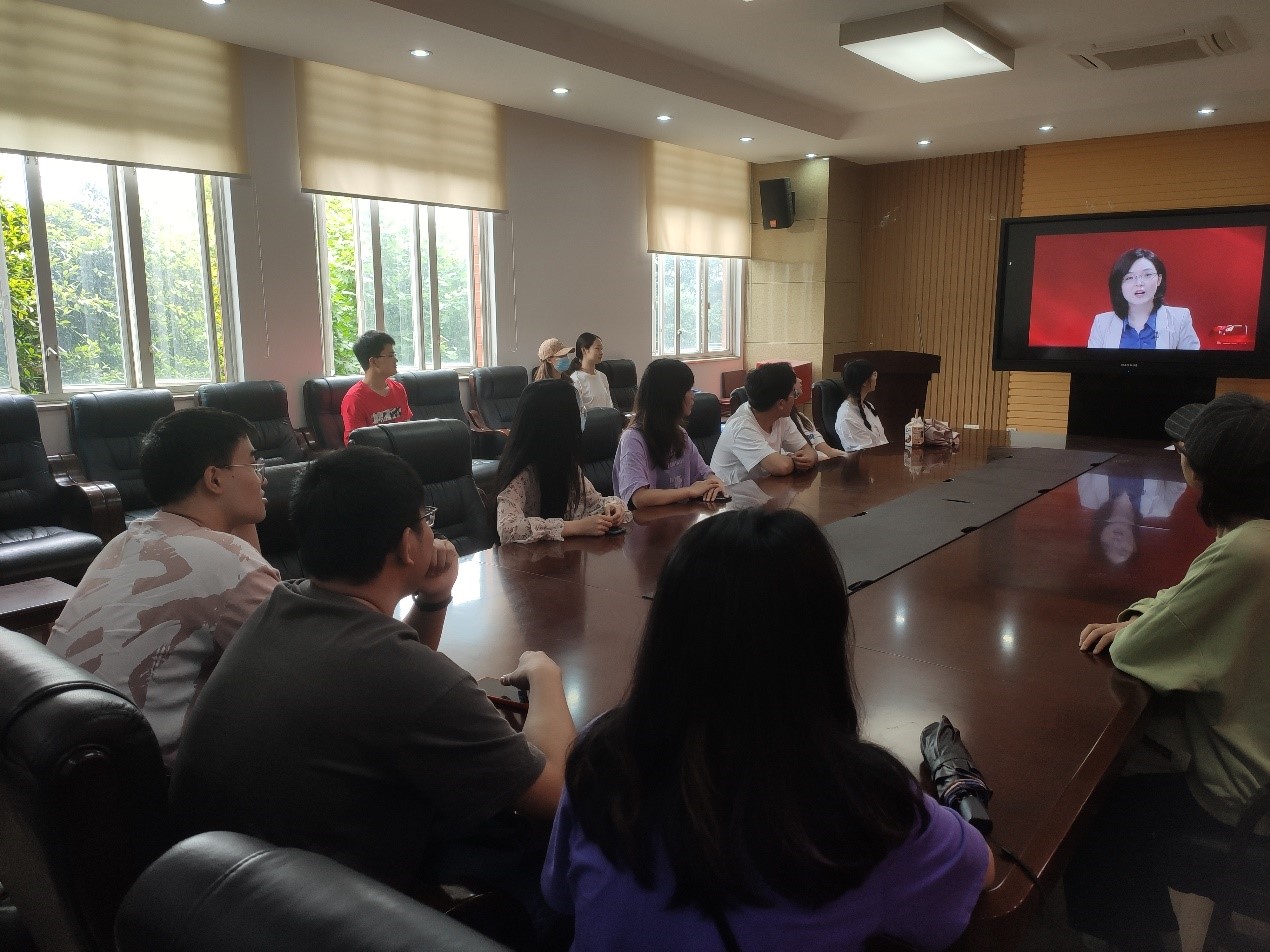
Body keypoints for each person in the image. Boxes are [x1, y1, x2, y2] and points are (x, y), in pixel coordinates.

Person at [543, 509, 994, 951]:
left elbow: (561, 895)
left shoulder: (603, 754)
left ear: (666, 631)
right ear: (823, 641)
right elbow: (979, 871)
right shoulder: (862, 806)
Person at [171, 445, 577, 914]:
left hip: (219, 894)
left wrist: (433, 601)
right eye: (426, 519)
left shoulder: (281, 605)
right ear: (408, 545)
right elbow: (558, 795)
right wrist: (545, 675)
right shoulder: (406, 676)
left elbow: (394, 683)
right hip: (326, 916)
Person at [1067, 392, 1270, 951]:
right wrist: (1145, 614)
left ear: (1204, 474)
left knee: (1097, 813)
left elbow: (1139, 652)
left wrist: (1135, 623)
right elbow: (1182, 602)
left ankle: (1135, 939)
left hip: (1249, 800)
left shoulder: (1247, 552)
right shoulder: (1256, 537)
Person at [46, 408, 280, 765]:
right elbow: (298, 665)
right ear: (214, 479)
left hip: (65, 753)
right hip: (146, 771)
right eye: (252, 464)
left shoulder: (127, 540)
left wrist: (240, 529)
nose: (262, 478)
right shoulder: (229, 562)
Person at [495, 378, 629, 543]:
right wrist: (576, 527)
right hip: (524, 558)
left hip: (557, 554)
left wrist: (612, 508)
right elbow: (508, 528)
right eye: (578, 412)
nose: (583, 416)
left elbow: (595, 502)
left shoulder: (564, 463)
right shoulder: (523, 472)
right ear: (559, 422)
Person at [613, 358, 726, 508]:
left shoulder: (680, 434)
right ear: (671, 396)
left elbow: (705, 473)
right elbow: (639, 498)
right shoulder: (633, 438)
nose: (693, 395)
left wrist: (715, 483)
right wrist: (689, 491)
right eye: (688, 390)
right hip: (645, 521)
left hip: (680, 517)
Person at [709, 363, 818, 485]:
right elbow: (782, 467)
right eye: (794, 394)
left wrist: (810, 457)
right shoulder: (741, 426)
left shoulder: (781, 417)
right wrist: (794, 460)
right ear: (781, 404)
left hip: (762, 488)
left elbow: (808, 450)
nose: (795, 398)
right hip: (730, 494)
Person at [1087, 249, 1200, 350]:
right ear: (1119, 285)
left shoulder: (1180, 319)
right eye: (1129, 277)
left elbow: (1193, 364)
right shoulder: (1102, 323)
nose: (1139, 283)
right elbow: (1093, 365)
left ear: (1159, 279)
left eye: (1147, 275)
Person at [341, 330, 413, 443]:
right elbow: (357, 444)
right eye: (390, 355)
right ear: (374, 362)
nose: (396, 360)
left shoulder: (398, 389)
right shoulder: (354, 399)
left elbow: (408, 430)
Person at [835, 359, 889, 451]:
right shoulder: (847, 417)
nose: (876, 377)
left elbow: (882, 441)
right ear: (864, 382)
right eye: (874, 374)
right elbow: (866, 453)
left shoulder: (868, 406)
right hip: (869, 459)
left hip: (882, 456)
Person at [789, 375, 847, 460]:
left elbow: (828, 450)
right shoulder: (782, 424)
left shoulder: (802, 418)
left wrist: (851, 457)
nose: (800, 380)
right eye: (795, 378)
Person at [567, 332, 614, 411]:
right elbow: (578, 412)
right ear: (584, 350)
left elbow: (610, 406)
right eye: (597, 349)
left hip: (607, 418)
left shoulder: (602, 376)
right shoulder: (576, 379)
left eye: (601, 349)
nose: (601, 353)